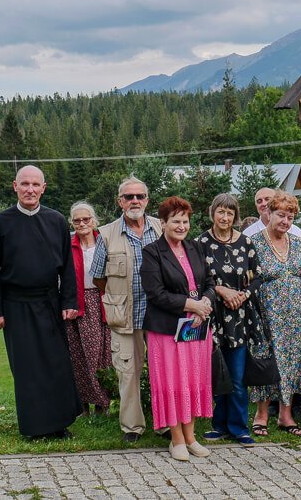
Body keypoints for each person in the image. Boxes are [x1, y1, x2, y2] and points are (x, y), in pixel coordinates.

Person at [0, 165, 80, 439]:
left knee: (56, 364)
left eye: (35, 185)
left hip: (50, 303)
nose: (30, 190)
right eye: (25, 184)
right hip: (16, 305)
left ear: (43, 188)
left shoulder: (56, 221)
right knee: (27, 369)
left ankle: (59, 424)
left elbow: (67, 267)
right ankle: (36, 428)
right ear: (15, 186)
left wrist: (68, 301)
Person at [140, 196, 217, 462]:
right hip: (166, 330)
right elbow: (156, 293)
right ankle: (176, 439)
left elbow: (209, 282)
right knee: (173, 383)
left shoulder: (195, 247)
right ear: (163, 223)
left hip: (196, 327)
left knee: (192, 381)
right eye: (175, 221)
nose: (181, 226)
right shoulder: (152, 252)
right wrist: (191, 305)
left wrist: (205, 302)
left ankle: (191, 437)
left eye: (185, 221)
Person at [90, 177, 163, 443]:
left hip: (160, 316)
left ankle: (165, 424)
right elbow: (99, 277)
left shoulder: (161, 227)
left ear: (147, 200)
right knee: (128, 372)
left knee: (162, 371)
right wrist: (118, 295)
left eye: (139, 196)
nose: (135, 201)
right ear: (120, 201)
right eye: (129, 197)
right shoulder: (106, 234)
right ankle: (132, 427)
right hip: (124, 317)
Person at [249, 191, 301, 437]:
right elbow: (248, 280)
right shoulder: (254, 243)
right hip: (266, 315)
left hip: (293, 316)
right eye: (281, 215)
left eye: (290, 217)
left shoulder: (298, 243)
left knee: (290, 362)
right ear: (269, 213)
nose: (285, 221)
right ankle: (261, 415)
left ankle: (285, 415)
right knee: (266, 362)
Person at [195, 193, 262, 447]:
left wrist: (243, 295)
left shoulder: (245, 242)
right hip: (212, 314)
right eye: (221, 212)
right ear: (212, 213)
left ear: (235, 216)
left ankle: (239, 427)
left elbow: (258, 276)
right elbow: (197, 279)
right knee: (216, 373)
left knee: (236, 375)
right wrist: (221, 291)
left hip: (239, 316)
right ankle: (219, 426)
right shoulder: (200, 243)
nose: (225, 217)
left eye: (230, 213)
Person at [67, 201, 113, 416]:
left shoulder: (104, 242)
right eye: (77, 220)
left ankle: (102, 403)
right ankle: (82, 404)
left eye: (86, 219)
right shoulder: (67, 244)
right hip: (76, 302)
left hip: (100, 300)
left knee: (101, 355)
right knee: (77, 356)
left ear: (94, 221)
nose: (82, 223)